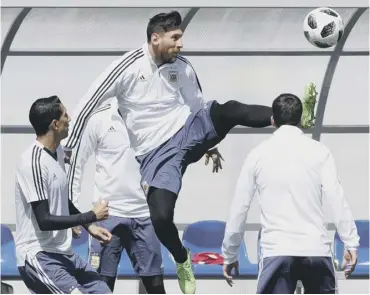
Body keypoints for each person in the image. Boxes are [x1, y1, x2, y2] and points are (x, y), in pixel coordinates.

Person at [62, 11, 314, 294]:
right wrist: (68, 145)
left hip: (187, 130)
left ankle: (285, 118)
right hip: (156, 156)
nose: (181, 44)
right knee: (160, 216)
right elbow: (86, 105)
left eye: (181, 37)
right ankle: (182, 258)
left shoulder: (181, 67)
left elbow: (198, 106)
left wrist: (210, 144)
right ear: (155, 38)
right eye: (175, 38)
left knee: (229, 110)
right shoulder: (126, 68)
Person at [221, 93, 360, 294]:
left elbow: (240, 207)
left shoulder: (257, 155)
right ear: (301, 119)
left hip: (277, 250)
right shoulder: (320, 152)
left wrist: (230, 253)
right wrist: (350, 242)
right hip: (315, 249)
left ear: (273, 120)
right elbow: (336, 198)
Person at [14, 96, 113, 294]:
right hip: (38, 255)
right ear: (55, 124)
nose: (70, 119)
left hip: (63, 253)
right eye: (66, 115)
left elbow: (61, 199)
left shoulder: (58, 152)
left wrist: (89, 226)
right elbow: (44, 220)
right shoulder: (31, 163)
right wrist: (91, 215)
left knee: (103, 291)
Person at [68, 100, 166, 293]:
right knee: (101, 287)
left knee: (156, 287)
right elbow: (76, 164)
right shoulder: (98, 118)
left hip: (144, 213)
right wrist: (74, 212)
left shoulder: (155, 116)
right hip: (106, 215)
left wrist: (206, 145)